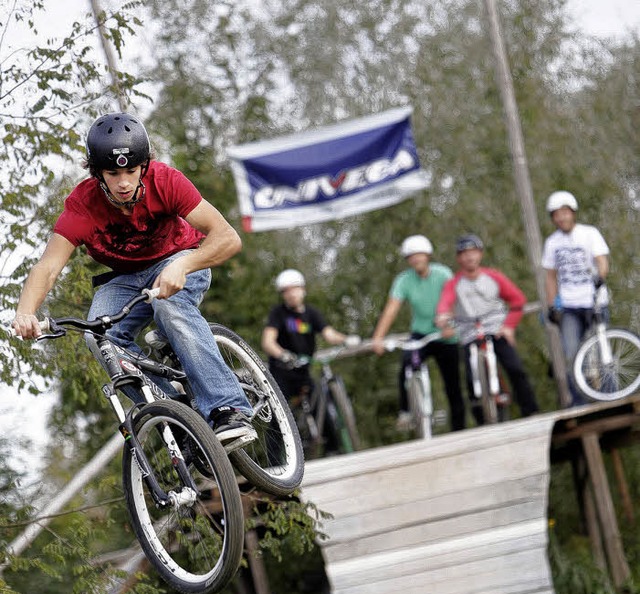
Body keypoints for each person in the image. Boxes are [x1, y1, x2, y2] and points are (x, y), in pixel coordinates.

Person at [11, 112, 256, 450]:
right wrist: (25, 311)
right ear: (98, 173)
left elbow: (227, 238)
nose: (123, 182)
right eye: (113, 174)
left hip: (181, 258)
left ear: (144, 165)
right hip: (124, 279)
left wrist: (186, 265)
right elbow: (48, 267)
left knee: (167, 304)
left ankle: (229, 407)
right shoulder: (82, 207)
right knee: (100, 338)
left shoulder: (166, 182)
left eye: (131, 171)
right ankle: (180, 418)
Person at [436, 234, 538, 423]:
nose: (469, 257)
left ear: (480, 254)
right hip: (469, 332)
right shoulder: (453, 284)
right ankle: (482, 421)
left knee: (515, 369)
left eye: (473, 252)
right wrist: (442, 316)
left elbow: (518, 300)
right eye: (464, 254)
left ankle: (530, 411)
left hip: (496, 329)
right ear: (458, 259)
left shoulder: (494, 277)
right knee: (470, 377)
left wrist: (509, 326)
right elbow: (445, 303)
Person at [371, 235, 465, 432]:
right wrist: (378, 338)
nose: (415, 259)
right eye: (410, 256)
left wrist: (451, 324)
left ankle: (460, 429)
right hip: (421, 334)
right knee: (406, 364)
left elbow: (454, 300)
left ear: (427, 255)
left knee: (453, 383)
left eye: (418, 255)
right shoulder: (404, 280)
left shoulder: (442, 273)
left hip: (444, 334)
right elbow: (392, 308)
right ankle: (406, 412)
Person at [541, 190, 610, 403]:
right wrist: (553, 305)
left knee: (600, 351)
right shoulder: (552, 243)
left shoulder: (589, 233)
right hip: (569, 306)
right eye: (556, 214)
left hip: (594, 302)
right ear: (553, 219)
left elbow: (602, 260)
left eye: (565, 212)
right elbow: (551, 277)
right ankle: (578, 402)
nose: (561, 217)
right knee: (572, 354)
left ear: (573, 212)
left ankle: (611, 395)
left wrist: (600, 276)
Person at [261, 268, 354, 401]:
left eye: (294, 289)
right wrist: (283, 355)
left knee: (322, 409)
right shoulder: (278, 313)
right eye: (286, 291)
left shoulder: (312, 313)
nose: (291, 294)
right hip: (281, 373)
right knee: (281, 416)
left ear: (303, 289)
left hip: (303, 372)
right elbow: (268, 342)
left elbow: (330, 335)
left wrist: (347, 340)